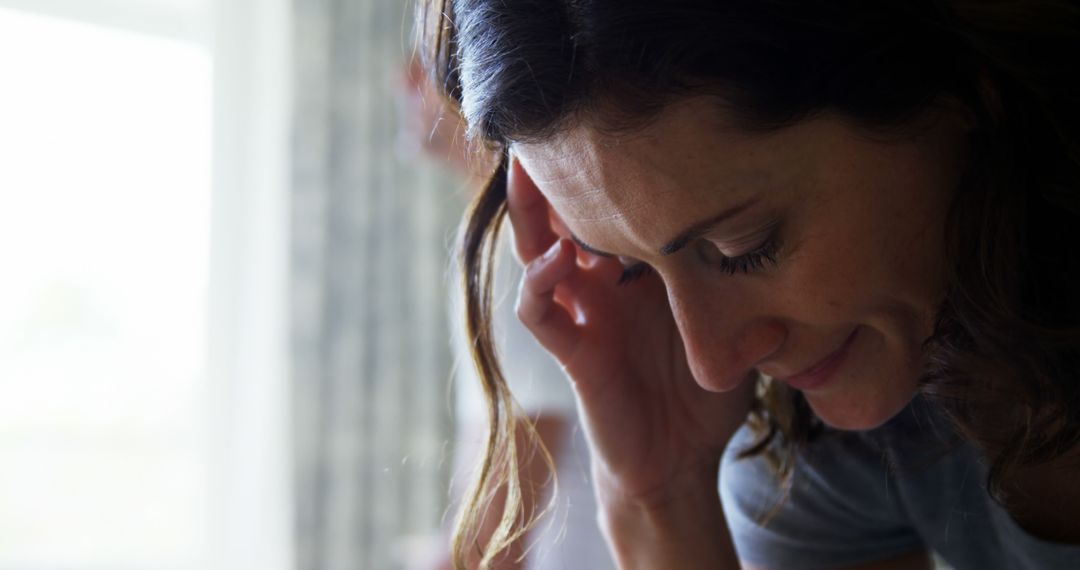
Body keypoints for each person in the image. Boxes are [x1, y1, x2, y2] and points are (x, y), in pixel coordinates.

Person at [417, 1, 1080, 569]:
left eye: (744, 248)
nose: (711, 364)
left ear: (957, 82)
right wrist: (663, 497)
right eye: (636, 269)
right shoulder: (848, 445)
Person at [398, 60, 616, 570]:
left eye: (427, 60)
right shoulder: (521, 235)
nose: (403, 79)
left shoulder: (517, 247)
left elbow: (494, 544)